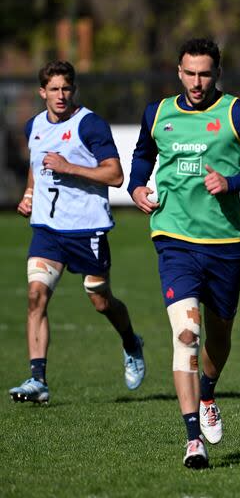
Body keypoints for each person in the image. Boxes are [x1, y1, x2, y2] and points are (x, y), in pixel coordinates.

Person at [128, 38, 240, 469]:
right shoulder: (158, 113)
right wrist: (136, 187)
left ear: (217, 73)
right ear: (178, 71)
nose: (197, 82)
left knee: (219, 336)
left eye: (205, 74)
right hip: (173, 239)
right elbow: (142, 156)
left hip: (223, 245)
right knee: (186, 335)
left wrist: (232, 182)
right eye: (190, 73)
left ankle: (209, 389)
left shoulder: (238, 114)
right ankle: (192, 438)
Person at [9, 61, 145, 405]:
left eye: (66, 89)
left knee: (100, 300)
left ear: (74, 90)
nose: (60, 95)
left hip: (87, 229)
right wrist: (28, 194)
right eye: (53, 89)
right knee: (35, 296)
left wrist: (68, 167)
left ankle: (130, 341)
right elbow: (36, 165)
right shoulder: (34, 126)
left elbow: (115, 175)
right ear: (42, 92)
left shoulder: (90, 124)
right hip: (47, 229)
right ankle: (37, 379)